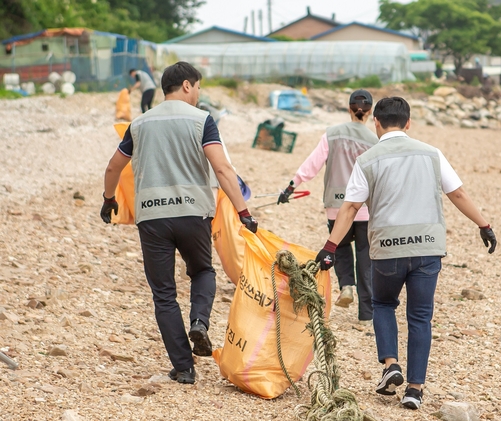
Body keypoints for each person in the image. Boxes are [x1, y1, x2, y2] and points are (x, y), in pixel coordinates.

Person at [314, 97, 497, 410]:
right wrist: (484, 225)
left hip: (386, 249)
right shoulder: (431, 154)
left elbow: (350, 207)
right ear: (408, 123)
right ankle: (415, 390)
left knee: (383, 303)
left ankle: (391, 364)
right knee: (421, 317)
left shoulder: (369, 159)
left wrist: (330, 247)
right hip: (427, 248)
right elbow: (457, 193)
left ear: (377, 123)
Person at [101, 61, 258, 384]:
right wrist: (244, 213)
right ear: (187, 85)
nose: (199, 94)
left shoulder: (140, 123)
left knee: (164, 294)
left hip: (153, 218)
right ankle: (199, 321)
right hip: (193, 214)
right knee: (202, 272)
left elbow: (113, 168)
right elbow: (223, 169)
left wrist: (109, 200)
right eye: (198, 87)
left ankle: (184, 368)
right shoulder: (203, 120)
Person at [278, 90, 378, 323]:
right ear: (370, 111)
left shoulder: (332, 135)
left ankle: (346, 286)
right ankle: (366, 313)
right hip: (364, 207)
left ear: (349, 108)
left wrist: (292, 186)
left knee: (340, 248)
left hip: (336, 204)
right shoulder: (374, 141)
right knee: (365, 256)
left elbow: (311, 164)